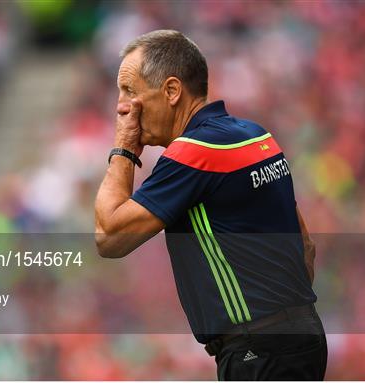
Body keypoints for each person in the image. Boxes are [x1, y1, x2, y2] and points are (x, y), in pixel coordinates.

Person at [94, 30, 327, 380]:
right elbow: (305, 249)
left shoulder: (194, 152)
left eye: (130, 90)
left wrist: (124, 150)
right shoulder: (257, 136)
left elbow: (109, 237)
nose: (121, 105)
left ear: (172, 91)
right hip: (306, 335)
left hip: (257, 351)